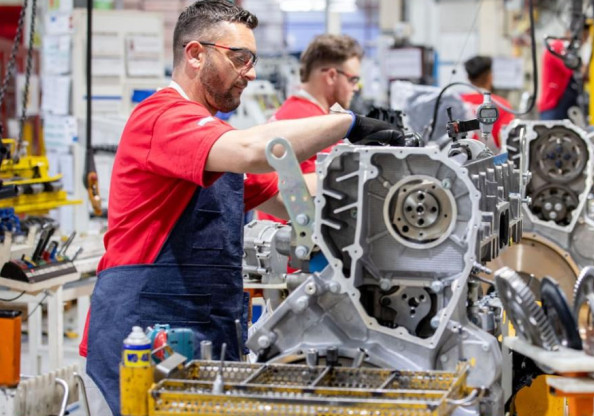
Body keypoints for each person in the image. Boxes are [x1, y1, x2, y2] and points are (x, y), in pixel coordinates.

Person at [80, 1, 404, 414]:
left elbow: (292, 195)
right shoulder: (162, 117)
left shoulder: (216, 141)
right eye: (240, 58)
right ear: (196, 54)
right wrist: (347, 125)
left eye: (253, 60)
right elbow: (256, 150)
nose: (251, 72)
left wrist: (379, 172)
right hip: (140, 341)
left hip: (202, 335)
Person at [257, 34, 363, 223]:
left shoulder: (293, 111)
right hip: (297, 241)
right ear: (331, 76)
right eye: (352, 79)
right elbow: (334, 189)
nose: (355, 88)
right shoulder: (315, 125)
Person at [460, 55, 514, 151]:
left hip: (456, 162)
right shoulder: (502, 105)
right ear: (490, 76)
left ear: (468, 78)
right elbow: (506, 140)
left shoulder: (457, 103)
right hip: (491, 163)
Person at [538, 27, 588, 121]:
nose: (583, 42)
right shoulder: (557, 48)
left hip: (562, 106)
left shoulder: (567, 51)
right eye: (583, 37)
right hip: (552, 107)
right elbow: (575, 69)